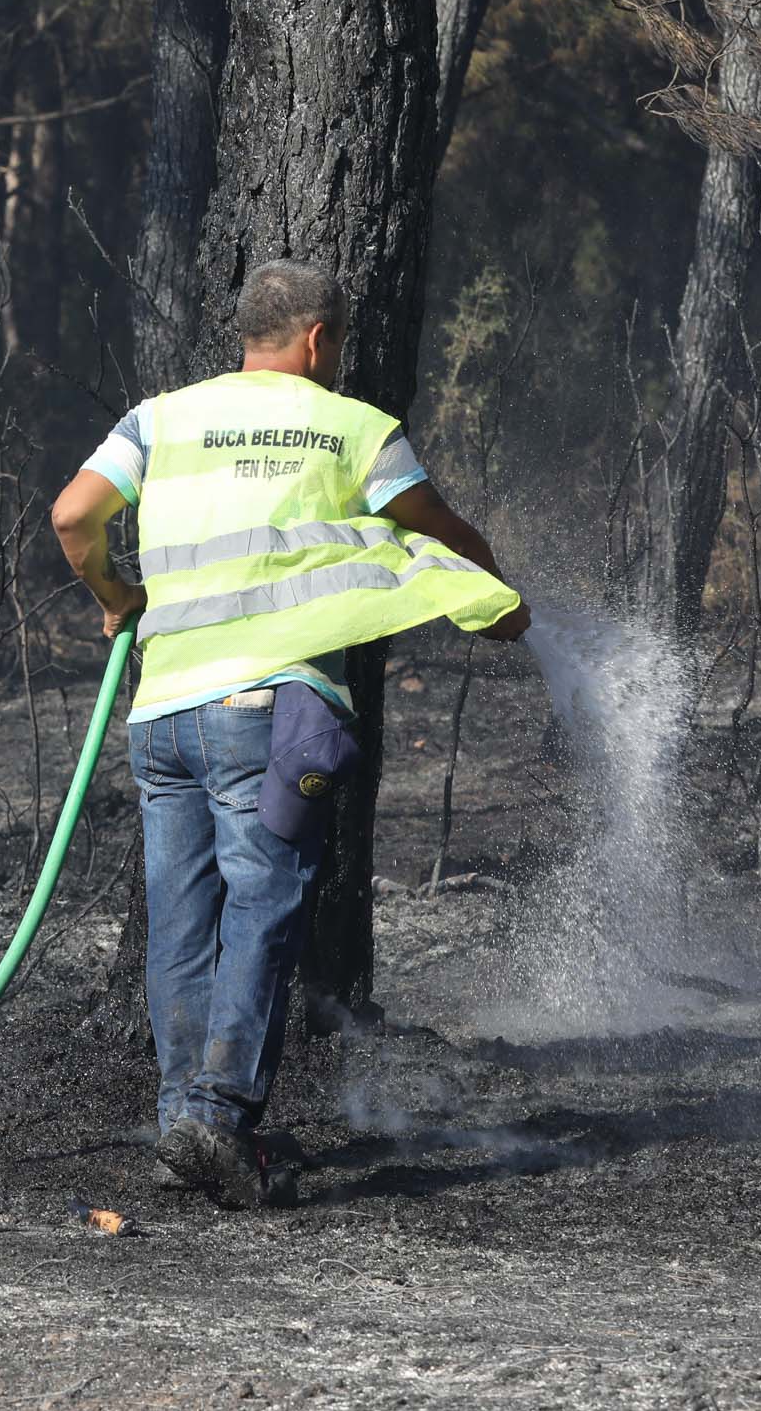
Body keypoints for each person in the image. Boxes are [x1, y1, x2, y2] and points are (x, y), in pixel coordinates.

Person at [50, 260, 531, 1208]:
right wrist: (495, 594)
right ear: (319, 341)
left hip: (163, 715)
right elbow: (432, 527)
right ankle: (219, 1120)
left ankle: (178, 1120)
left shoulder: (159, 418)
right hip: (268, 711)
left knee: (181, 924)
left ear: (247, 335)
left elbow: (73, 515)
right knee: (263, 911)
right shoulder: (352, 427)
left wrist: (117, 598)